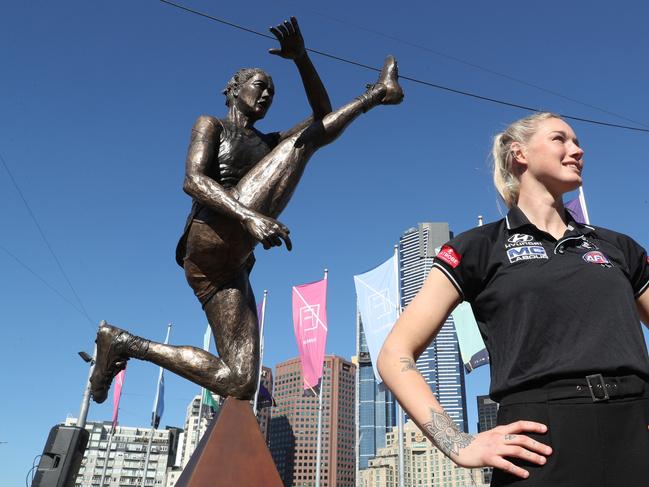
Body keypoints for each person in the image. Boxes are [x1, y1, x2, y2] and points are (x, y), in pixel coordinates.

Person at [89, 17, 403, 403]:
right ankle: (377, 95)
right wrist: (248, 216)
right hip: (210, 235)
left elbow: (322, 115)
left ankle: (123, 342)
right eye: (260, 85)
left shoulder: (268, 142)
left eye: (273, 91)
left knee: (239, 381)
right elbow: (193, 180)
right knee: (301, 144)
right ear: (234, 89)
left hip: (229, 268)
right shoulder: (211, 124)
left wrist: (302, 58)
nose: (268, 94)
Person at [377, 112, 649, 486]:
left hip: (636, 424)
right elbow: (395, 355)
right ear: (519, 154)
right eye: (561, 139)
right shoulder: (476, 248)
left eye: (578, 142)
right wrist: (457, 444)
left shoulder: (618, 246)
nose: (577, 150)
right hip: (538, 440)